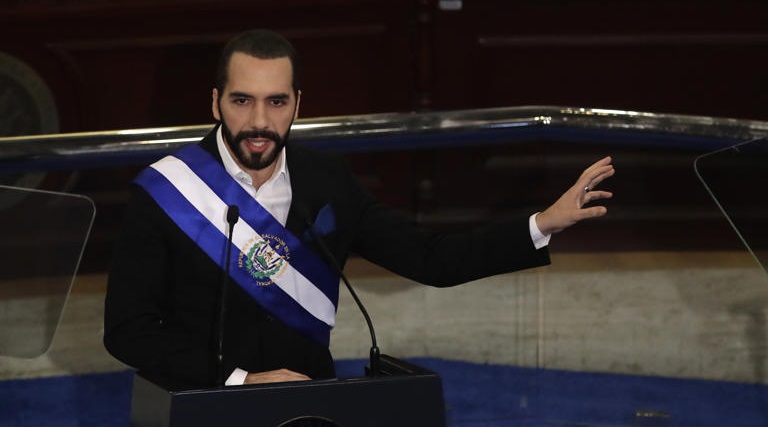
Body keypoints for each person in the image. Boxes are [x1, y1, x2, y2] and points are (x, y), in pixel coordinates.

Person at [103, 29, 615, 389]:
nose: (259, 121)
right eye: (242, 101)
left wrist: (540, 225)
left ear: (298, 105)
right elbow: (128, 331)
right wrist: (239, 381)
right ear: (215, 103)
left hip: (312, 409)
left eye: (276, 102)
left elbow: (430, 258)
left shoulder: (328, 182)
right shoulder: (165, 192)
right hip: (201, 405)